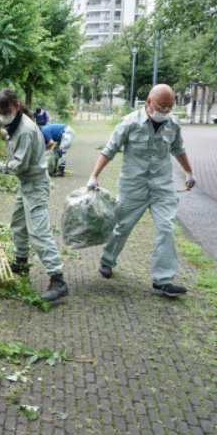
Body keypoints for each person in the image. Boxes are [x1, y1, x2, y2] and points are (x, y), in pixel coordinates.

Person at [86, 84, 196, 297]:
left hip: (162, 186)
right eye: (162, 105)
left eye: (170, 106)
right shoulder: (129, 123)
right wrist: (93, 176)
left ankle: (162, 281)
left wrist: (189, 172)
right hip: (133, 186)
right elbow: (109, 150)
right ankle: (108, 260)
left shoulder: (173, 123)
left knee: (166, 228)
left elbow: (178, 149)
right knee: (122, 226)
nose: (166, 110)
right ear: (148, 102)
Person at [0, 89, 68, 302]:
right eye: (0, 111)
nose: (4, 115)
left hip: (35, 184)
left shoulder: (28, 130)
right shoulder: (15, 124)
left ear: (17, 105)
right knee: (18, 224)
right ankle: (21, 262)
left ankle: (58, 280)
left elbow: (19, 166)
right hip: (26, 184)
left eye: (7, 110)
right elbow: (9, 137)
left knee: (39, 232)